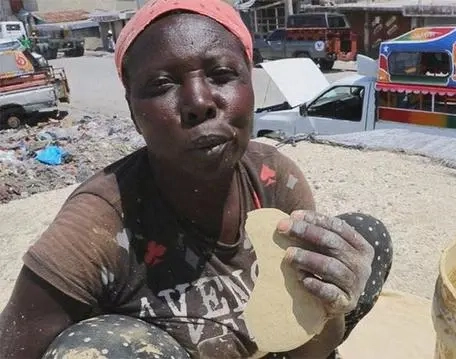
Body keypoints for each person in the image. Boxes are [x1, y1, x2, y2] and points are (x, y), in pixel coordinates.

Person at [0, 0, 393, 358]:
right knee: (101, 349)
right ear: (134, 114)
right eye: (161, 85)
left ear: (250, 88)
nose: (198, 103)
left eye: (222, 74)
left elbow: (306, 349)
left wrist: (333, 308)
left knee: (360, 242)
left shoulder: (274, 180)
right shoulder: (98, 223)